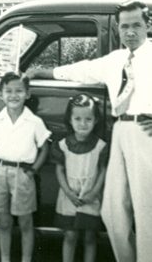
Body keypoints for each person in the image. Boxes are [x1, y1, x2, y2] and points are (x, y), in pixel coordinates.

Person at [26, 0, 152, 262]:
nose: (130, 32)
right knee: (112, 211)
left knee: (150, 214)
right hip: (122, 131)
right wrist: (40, 72)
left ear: (148, 25)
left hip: (150, 133)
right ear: (119, 30)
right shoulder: (116, 60)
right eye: (125, 27)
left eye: (136, 25)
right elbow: (79, 70)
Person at [0, 72, 51, 262]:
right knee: (4, 222)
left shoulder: (34, 122)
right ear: (0, 95)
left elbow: (45, 147)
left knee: (26, 221)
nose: (14, 95)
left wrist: (34, 170)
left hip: (23, 174)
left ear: (28, 94)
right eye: (8, 91)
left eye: (19, 91)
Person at [51, 93, 108, 262]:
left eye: (88, 119)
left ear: (96, 120)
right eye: (77, 119)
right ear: (70, 119)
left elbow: (103, 170)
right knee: (70, 235)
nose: (83, 124)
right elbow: (59, 170)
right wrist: (68, 192)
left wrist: (94, 192)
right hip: (69, 196)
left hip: (91, 196)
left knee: (90, 236)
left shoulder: (100, 146)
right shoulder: (62, 145)